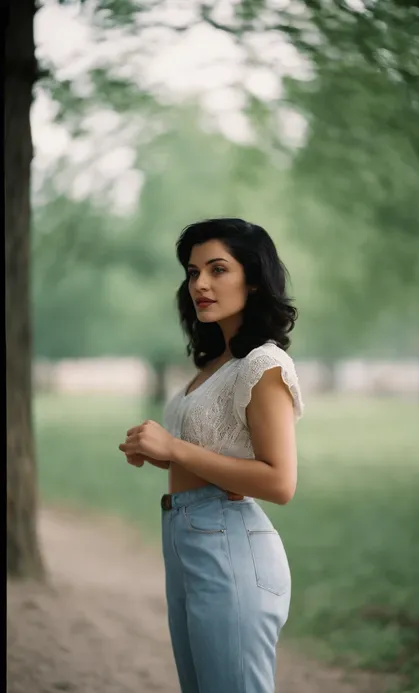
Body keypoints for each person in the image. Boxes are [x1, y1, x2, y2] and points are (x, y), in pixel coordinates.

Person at [119, 218, 304, 693]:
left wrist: (175, 447)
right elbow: (218, 457)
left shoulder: (263, 364)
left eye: (217, 269)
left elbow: (279, 482)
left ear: (255, 279)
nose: (200, 283)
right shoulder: (215, 364)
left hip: (231, 547)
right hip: (189, 544)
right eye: (192, 270)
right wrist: (159, 453)